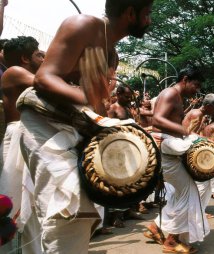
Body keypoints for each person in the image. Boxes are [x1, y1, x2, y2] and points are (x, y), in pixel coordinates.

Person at [17, 0, 154, 253]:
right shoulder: (84, 25)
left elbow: (96, 105)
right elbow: (43, 78)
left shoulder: (112, 52)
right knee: (68, 208)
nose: (149, 21)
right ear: (130, 12)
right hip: (43, 123)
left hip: (73, 128)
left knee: (82, 214)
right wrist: (85, 97)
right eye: (147, 14)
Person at [144, 66, 209, 253]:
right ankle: (171, 241)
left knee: (180, 195)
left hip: (172, 152)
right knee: (189, 193)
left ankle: (156, 228)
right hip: (166, 153)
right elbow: (157, 120)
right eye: (195, 85)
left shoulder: (178, 97)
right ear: (186, 79)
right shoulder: (170, 93)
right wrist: (185, 133)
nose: (196, 90)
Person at [0, 36, 44, 254]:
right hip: (18, 138)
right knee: (15, 206)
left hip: (29, 139)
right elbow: (46, 82)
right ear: (25, 58)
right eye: (39, 55)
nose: (44, 59)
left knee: (33, 207)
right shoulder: (13, 72)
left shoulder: (35, 77)